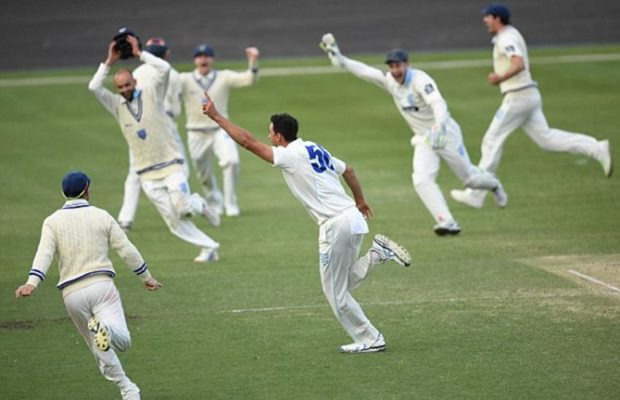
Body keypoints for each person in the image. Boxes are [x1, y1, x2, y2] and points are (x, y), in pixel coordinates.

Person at [202, 92, 412, 353]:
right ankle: (378, 254)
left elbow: (247, 142)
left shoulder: (290, 155)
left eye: (270, 133)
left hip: (335, 225)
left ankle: (371, 338)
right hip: (353, 219)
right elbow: (349, 170)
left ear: (279, 136)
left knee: (335, 293)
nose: (269, 137)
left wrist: (216, 116)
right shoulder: (314, 147)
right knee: (342, 284)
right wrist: (360, 201)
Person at [319, 33, 507, 236]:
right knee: (421, 179)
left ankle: (494, 184)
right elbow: (365, 71)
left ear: (406, 64)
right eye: (391, 66)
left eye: (398, 66)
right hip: (424, 138)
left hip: (445, 133)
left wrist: (440, 127)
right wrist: (341, 59)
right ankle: (447, 222)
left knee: (470, 179)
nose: (395, 70)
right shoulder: (390, 80)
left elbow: (438, 104)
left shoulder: (420, 80)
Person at [15, 171, 163, 400]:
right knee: (122, 340)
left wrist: (31, 283)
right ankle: (107, 330)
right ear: (87, 190)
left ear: (64, 193)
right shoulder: (101, 215)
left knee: (99, 348)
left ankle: (127, 388)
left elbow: (43, 255)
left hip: (72, 295)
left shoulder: (52, 221)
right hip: (102, 287)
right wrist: (146, 277)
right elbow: (126, 249)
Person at [450, 3, 613, 209]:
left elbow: (518, 63)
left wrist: (500, 77)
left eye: (488, 17)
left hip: (518, 97)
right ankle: (596, 148)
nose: (485, 20)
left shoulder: (506, 37)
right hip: (527, 95)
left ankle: (476, 193)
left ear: (497, 18)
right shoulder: (509, 35)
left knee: (492, 140)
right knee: (547, 139)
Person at [88, 33, 221, 262]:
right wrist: (109, 62)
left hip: (170, 163)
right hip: (146, 172)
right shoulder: (116, 105)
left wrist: (139, 53)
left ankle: (198, 204)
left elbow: (165, 70)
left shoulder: (152, 93)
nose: (124, 89)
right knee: (174, 221)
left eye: (128, 84)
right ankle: (210, 247)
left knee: (182, 206)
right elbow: (94, 87)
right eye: (120, 87)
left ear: (135, 83)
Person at [117, 36, 190, 232]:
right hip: (164, 126)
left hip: (139, 125)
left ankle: (125, 219)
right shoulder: (172, 74)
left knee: (134, 173)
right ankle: (183, 205)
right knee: (178, 165)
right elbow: (175, 108)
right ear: (165, 53)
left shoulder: (137, 72)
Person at [179, 43, 260, 217]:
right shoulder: (184, 79)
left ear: (212, 59)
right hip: (195, 133)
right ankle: (215, 201)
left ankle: (231, 204)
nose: (203, 59)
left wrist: (253, 61)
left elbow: (248, 79)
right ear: (195, 60)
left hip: (220, 129)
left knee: (231, 161)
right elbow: (166, 85)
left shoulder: (223, 77)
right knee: (203, 175)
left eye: (207, 56)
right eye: (200, 56)